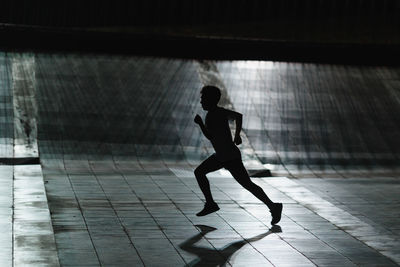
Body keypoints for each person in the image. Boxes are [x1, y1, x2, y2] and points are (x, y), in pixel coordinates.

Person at [194, 85, 283, 225]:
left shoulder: (213, 115)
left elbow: (210, 136)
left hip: (229, 157)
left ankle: (273, 206)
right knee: (200, 172)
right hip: (223, 155)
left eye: (203, 98)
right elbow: (238, 117)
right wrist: (237, 135)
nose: (201, 102)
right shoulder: (217, 113)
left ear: (210, 100)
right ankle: (210, 203)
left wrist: (201, 124)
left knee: (247, 184)